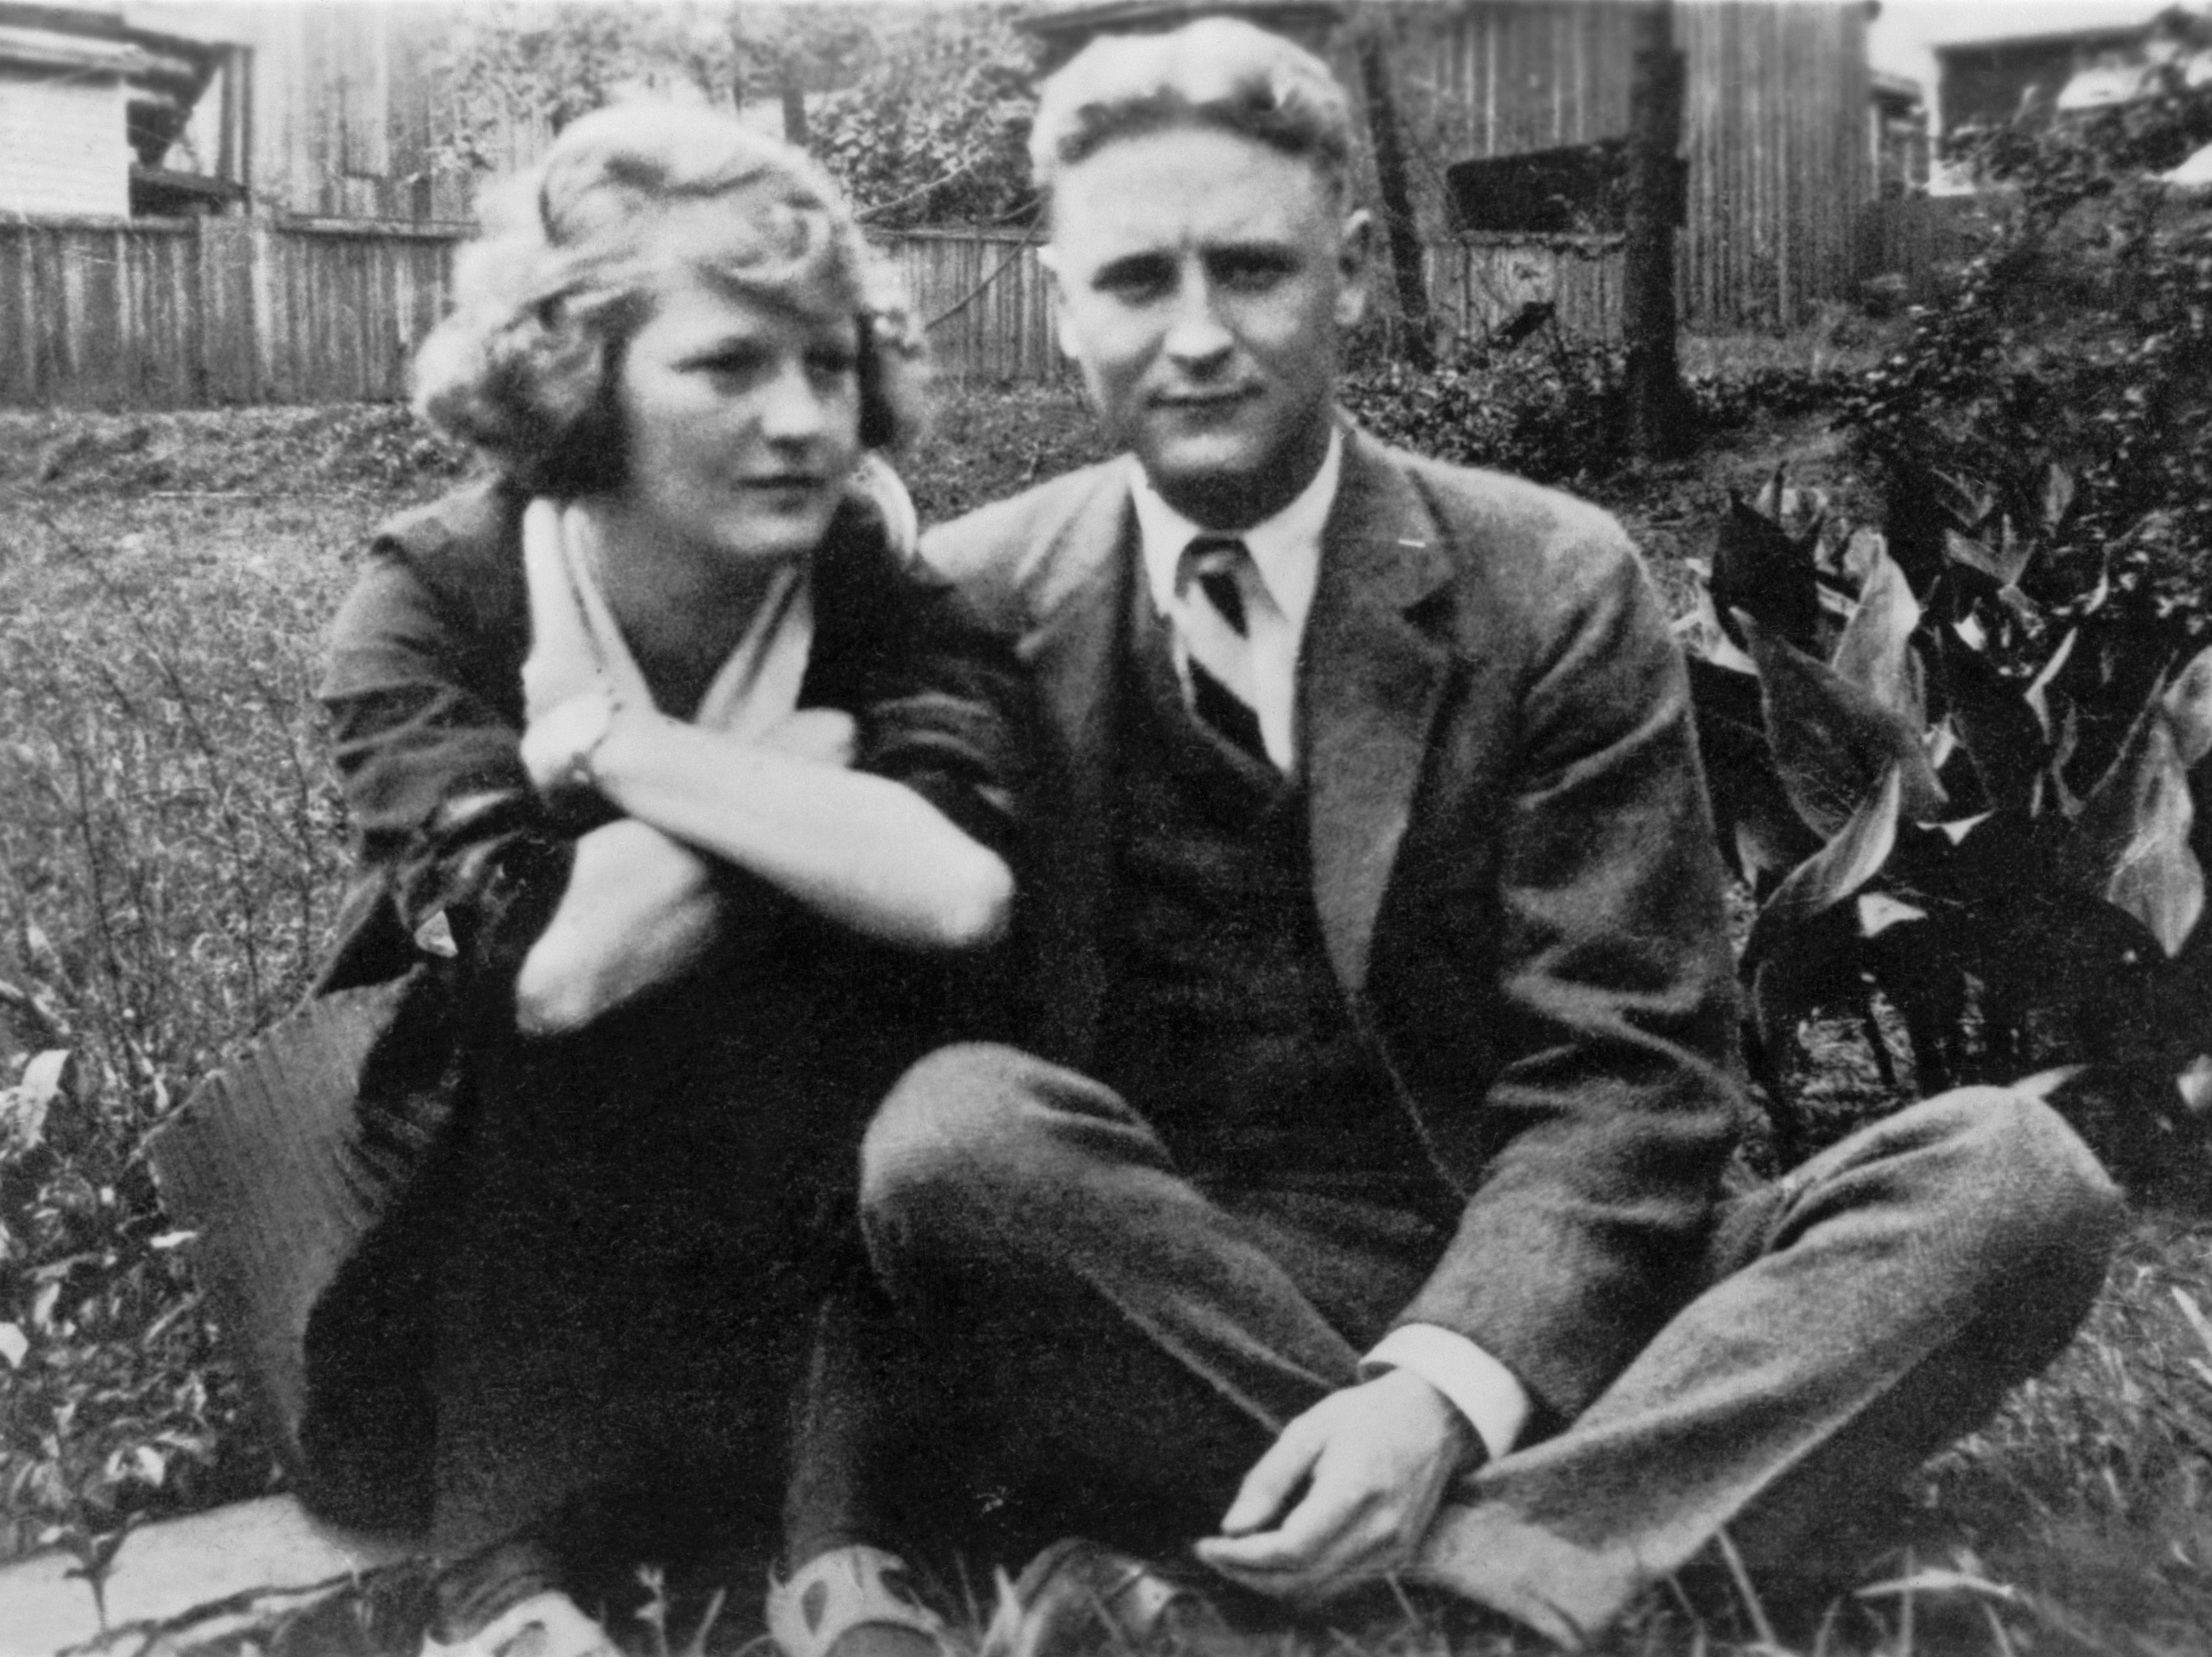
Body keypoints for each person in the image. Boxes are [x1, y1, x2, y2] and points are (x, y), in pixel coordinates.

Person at [783, 20, 2129, 1655]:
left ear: (1350, 274)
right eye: (1136, 282)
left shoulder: (1547, 579)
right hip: (1178, 1296)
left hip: (1558, 1275)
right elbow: (862, 1079)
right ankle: (1586, 1550)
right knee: (951, 1133)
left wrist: (1441, 1390)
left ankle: (1437, 1571)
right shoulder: (968, 606)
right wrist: (842, 1532)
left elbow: (1632, 1074)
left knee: (2012, 1180)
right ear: (1064, 303)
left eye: (1252, 270)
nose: (1197, 336)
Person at [182, 104, 1027, 1657]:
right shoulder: (433, 597)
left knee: (898, 998)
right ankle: (500, 1577)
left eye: (830, 364)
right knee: (569, 986)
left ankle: (843, 1554)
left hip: (791, 1212)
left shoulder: (875, 588)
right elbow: (550, 963)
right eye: (729, 365)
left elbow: (958, 892)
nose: (802, 420)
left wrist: (618, 749)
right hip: (473, 1222)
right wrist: (798, 779)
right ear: (579, 385)